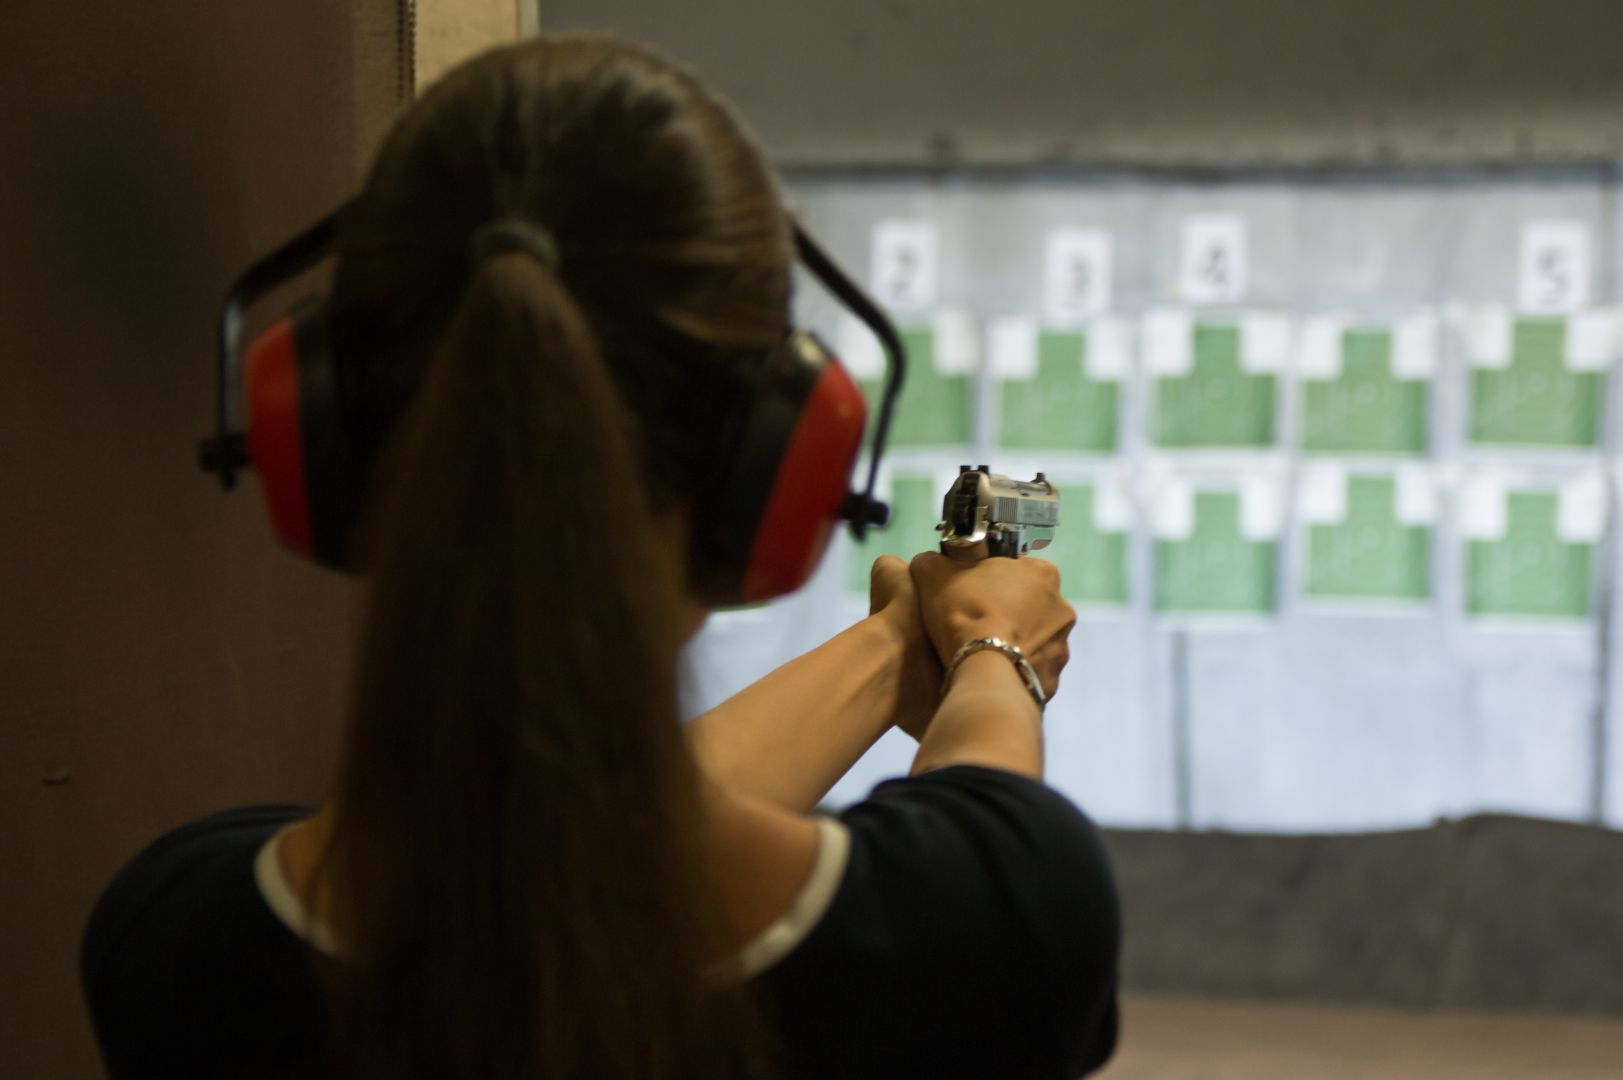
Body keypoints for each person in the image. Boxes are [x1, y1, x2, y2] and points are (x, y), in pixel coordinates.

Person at [80, 37, 1119, 1080]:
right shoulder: (995, 929)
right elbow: (979, 847)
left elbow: (561, 844)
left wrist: (900, 642)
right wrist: (996, 651)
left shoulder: (178, 943)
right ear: (777, 477)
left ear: (322, 447)